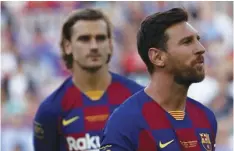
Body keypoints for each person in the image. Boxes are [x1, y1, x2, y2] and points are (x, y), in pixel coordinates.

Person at [100, 8, 217, 151]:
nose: (201, 48)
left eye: (198, 40)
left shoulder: (205, 117)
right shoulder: (126, 121)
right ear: (158, 57)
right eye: (187, 42)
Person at [33, 8, 143, 151]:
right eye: (84, 39)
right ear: (68, 46)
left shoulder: (138, 99)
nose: (94, 46)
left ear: (110, 45)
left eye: (100, 38)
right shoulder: (51, 110)